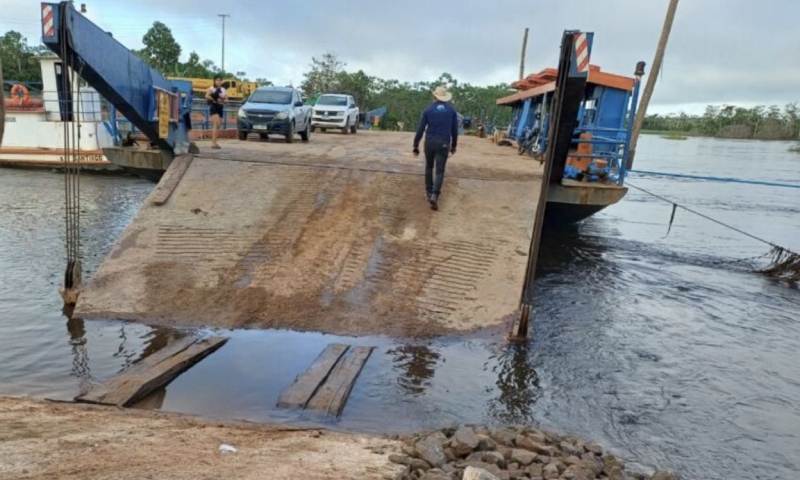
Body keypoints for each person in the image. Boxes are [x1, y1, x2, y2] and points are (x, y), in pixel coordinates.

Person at [413, 85, 458, 211]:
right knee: (439, 170)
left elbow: (421, 129)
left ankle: (428, 192)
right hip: (444, 142)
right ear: (446, 97)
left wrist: (415, 144)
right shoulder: (452, 111)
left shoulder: (428, 110)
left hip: (430, 141)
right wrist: (454, 145)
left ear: (434, 96)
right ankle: (435, 195)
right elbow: (454, 130)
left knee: (429, 166)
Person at [204, 75, 227, 149]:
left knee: (218, 125)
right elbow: (207, 96)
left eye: (220, 80)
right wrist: (215, 99)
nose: (219, 81)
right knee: (216, 124)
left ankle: (215, 142)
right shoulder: (212, 88)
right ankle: (213, 143)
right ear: (214, 81)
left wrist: (222, 99)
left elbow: (227, 100)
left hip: (220, 107)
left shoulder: (223, 89)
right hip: (214, 107)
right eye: (217, 80)